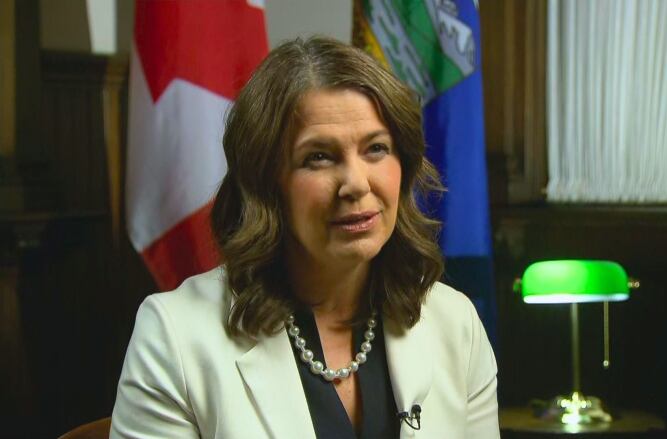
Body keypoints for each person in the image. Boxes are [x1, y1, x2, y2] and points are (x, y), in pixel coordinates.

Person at [110, 36, 498, 439]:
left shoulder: (456, 324)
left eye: (376, 149)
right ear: (267, 183)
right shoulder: (175, 337)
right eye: (319, 157)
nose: (355, 183)